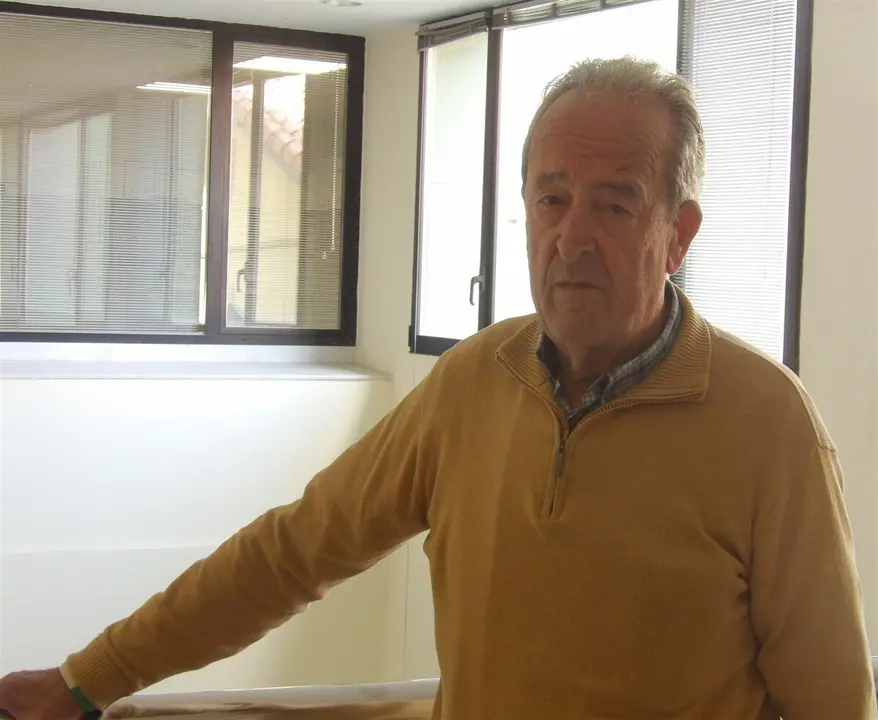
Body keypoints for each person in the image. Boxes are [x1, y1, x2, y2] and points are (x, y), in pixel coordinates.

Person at [0, 56, 874, 720]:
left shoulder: (768, 425)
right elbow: (291, 553)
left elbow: (833, 700)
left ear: (678, 234)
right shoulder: (472, 383)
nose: (572, 238)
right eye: (552, 199)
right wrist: (89, 680)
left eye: (614, 205)